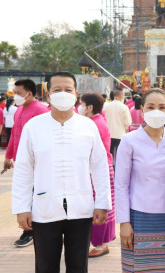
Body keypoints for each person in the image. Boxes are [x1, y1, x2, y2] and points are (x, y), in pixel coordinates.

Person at [12, 72, 111, 272]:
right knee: (46, 266)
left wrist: (102, 202)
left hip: (81, 209)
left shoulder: (88, 126)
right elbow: (23, 169)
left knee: (78, 266)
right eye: (57, 90)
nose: (63, 94)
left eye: (68, 90)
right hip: (44, 208)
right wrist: (21, 207)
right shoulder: (34, 127)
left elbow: (100, 166)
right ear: (48, 95)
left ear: (75, 94)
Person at [115, 88, 165, 272]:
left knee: (164, 268)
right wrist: (124, 222)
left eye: (161, 106)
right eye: (150, 107)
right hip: (137, 217)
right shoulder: (129, 141)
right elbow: (121, 184)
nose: (156, 111)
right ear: (142, 110)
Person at [4, 79, 49, 247]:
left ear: (30, 93)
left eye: (18, 93)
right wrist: (8, 156)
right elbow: (14, 135)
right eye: (14, 93)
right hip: (21, 161)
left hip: (36, 163)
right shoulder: (19, 111)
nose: (15, 96)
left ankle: (30, 231)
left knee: (34, 195)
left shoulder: (41, 111)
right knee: (24, 193)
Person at [79, 93, 116, 258]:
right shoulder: (97, 121)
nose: (79, 107)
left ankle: (100, 244)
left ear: (90, 107)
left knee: (97, 207)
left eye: (82, 104)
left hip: (97, 170)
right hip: (101, 168)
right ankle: (101, 242)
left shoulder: (93, 124)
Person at [105, 88, 132, 163]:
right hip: (120, 134)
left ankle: (110, 168)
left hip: (109, 134)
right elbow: (128, 122)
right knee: (119, 154)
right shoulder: (124, 107)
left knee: (109, 154)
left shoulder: (107, 106)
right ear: (121, 95)